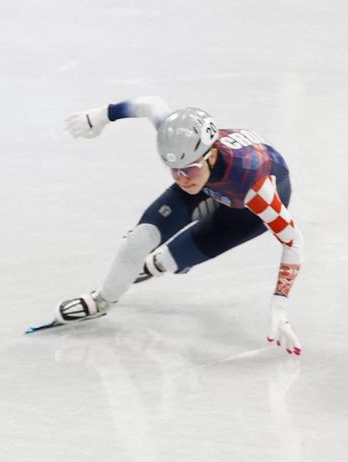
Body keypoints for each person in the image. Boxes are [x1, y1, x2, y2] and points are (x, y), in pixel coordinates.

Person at [52, 96, 304, 356]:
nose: (182, 178)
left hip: (245, 208)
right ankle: (102, 301)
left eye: (188, 170)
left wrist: (279, 307)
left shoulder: (254, 186)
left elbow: (293, 242)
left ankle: (159, 264)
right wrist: (99, 116)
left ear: (211, 154)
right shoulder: (180, 141)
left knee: (169, 260)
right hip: (212, 181)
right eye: (174, 170)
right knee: (137, 243)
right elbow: (151, 105)